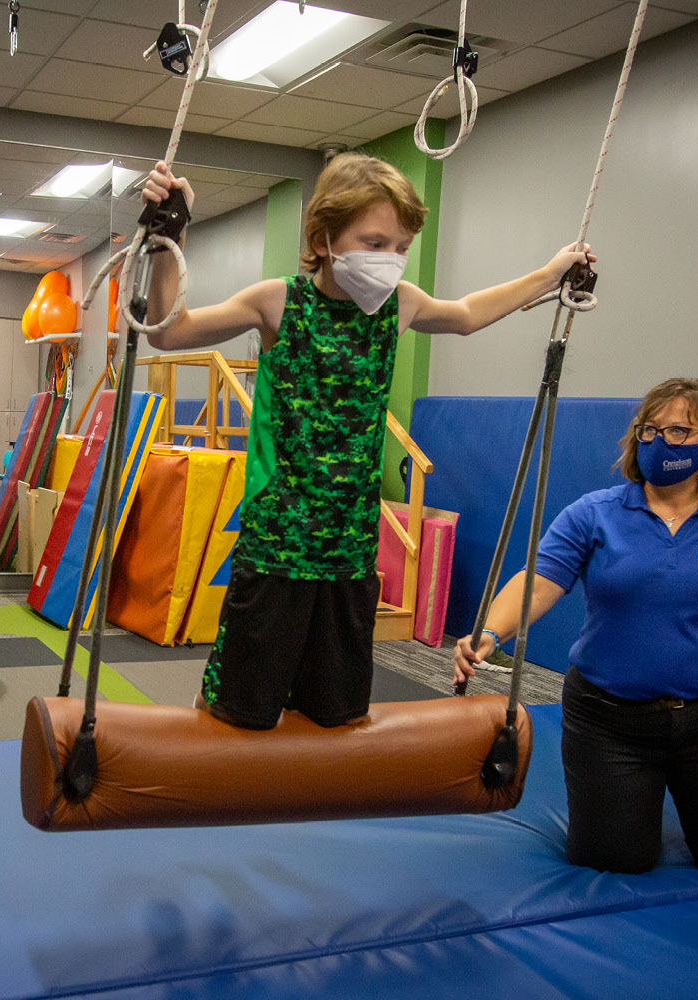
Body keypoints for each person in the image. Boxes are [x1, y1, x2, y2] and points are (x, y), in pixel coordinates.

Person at [139, 152, 593, 730]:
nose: (391, 260)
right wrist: (168, 239)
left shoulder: (398, 306)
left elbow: (466, 315)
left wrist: (551, 273)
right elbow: (168, 331)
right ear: (324, 238)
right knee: (237, 711)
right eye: (375, 243)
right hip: (277, 548)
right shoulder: (280, 301)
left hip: (350, 555)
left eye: (401, 247)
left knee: (336, 717)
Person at [453, 378, 698, 876]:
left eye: (679, 431)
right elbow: (539, 581)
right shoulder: (595, 514)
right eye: (649, 430)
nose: (660, 442)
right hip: (610, 722)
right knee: (614, 861)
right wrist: (489, 632)